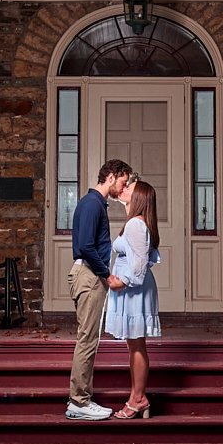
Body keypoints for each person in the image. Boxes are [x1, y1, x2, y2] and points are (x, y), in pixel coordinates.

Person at [66, 158, 132, 420]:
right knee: (88, 339)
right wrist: (107, 275)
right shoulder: (93, 204)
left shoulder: (93, 203)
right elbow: (85, 246)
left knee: (88, 338)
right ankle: (79, 402)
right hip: (90, 276)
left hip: (88, 274)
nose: (123, 188)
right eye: (123, 182)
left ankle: (80, 399)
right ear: (112, 176)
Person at [103, 178, 162, 420]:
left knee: (137, 345)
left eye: (130, 188)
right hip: (135, 289)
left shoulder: (136, 225)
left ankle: (138, 399)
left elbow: (138, 265)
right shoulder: (136, 221)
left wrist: (120, 281)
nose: (124, 189)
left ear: (138, 198)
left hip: (134, 290)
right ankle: (137, 396)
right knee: (133, 344)